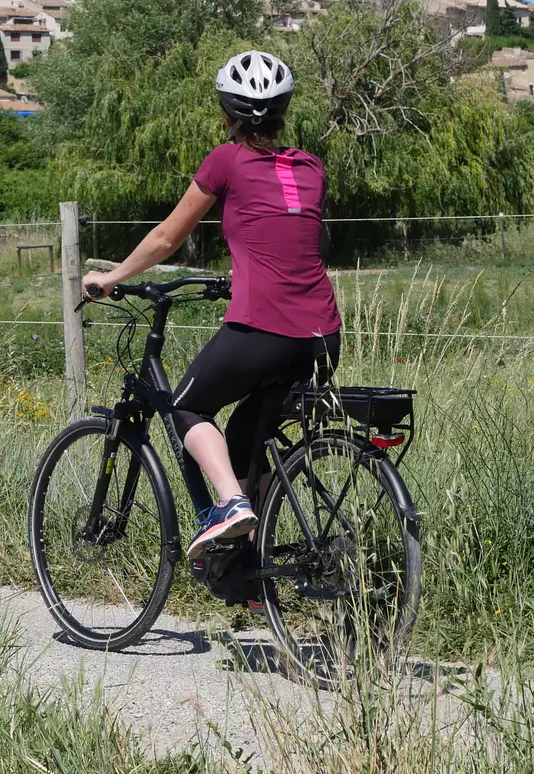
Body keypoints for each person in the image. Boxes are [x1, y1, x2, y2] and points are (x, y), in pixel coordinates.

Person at [83, 50, 342, 561]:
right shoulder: (312, 167)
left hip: (264, 327)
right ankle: (248, 572)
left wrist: (111, 278)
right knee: (248, 434)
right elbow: (290, 238)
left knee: (187, 406)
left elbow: (165, 239)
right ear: (284, 111)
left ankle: (229, 507)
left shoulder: (225, 160)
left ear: (227, 114)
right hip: (322, 335)